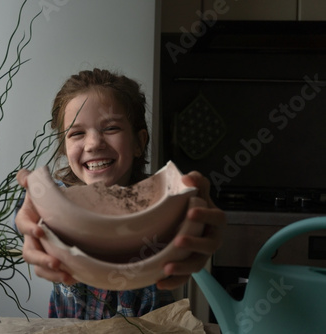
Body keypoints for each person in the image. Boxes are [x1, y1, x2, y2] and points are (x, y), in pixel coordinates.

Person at [15, 68, 226, 320]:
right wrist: (29, 214)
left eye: (111, 128)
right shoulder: (55, 201)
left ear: (139, 142)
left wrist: (194, 215)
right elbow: (23, 216)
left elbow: (196, 221)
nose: (93, 143)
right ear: (64, 148)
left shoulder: (165, 204)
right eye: (77, 133)